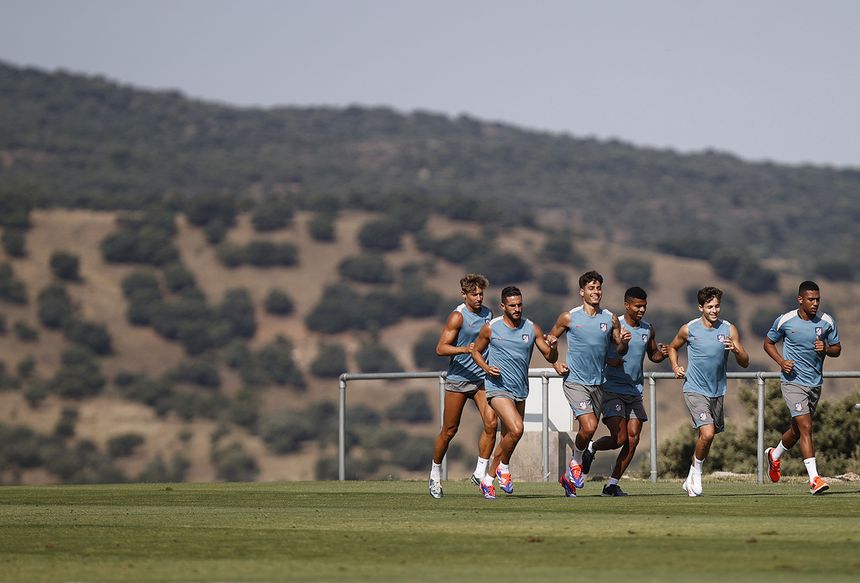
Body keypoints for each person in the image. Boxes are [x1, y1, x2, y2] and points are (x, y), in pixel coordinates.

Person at [546, 270, 631, 498]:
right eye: (591, 288)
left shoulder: (610, 318)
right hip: (575, 381)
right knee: (590, 426)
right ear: (581, 292)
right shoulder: (569, 317)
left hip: (600, 384)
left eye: (598, 288)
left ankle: (568, 477)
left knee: (600, 432)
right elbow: (549, 344)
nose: (596, 292)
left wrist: (623, 342)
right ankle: (576, 462)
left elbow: (620, 349)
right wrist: (555, 362)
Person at [470, 286, 558, 499]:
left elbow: (550, 357)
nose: (517, 309)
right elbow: (475, 351)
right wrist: (486, 368)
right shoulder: (491, 328)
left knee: (510, 435)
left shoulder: (531, 328)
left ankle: (499, 471)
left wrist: (554, 347)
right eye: (512, 305)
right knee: (517, 429)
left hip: (520, 389)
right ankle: (494, 475)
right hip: (497, 388)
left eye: (519, 305)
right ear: (503, 306)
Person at [586, 286, 668, 496]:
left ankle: (611, 485)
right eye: (637, 306)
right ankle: (592, 447)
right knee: (620, 438)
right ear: (627, 305)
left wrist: (663, 353)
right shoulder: (615, 325)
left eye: (644, 306)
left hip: (634, 391)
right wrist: (610, 361)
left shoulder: (648, 329)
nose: (641, 310)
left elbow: (653, 355)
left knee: (633, 439)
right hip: (611, 389)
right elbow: (596, 352)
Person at [667, 286, 749, 497]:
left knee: (707, 438)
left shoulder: (729, 329)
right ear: (700, 307)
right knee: (708, 432)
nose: (714, 310)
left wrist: (736, 350)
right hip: (694, 389)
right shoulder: (689, 329)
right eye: (710, 306)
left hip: (717, 391)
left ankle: (689, 479)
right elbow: (672, 347)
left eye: (717, 306)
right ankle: (697, 475)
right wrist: (675, 366)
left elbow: (745, 362)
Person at [763, 280, 841, 495]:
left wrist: (826, 349)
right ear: (800, 300)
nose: (815, 303)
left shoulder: (826, 321)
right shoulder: (785, 320)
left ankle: (774, 455)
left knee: (797, 430)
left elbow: (837, 349)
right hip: (792, 382)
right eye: (811, 299)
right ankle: (814, 479)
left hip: (814, 383)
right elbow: (768, 343)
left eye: (818, 299)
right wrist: (781, 362)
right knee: (806, 427)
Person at [428, 274, 498, 499]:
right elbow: (441, 348)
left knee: (492, 423)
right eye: (474, 294)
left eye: (481, 294)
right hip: (459, 379)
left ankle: (479, 472)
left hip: (481, 379)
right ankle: (435, 474)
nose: (478, 298)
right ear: (464, 294)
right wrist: (465, 349)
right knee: (449, 431)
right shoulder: (457, 316)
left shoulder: (488, 314)